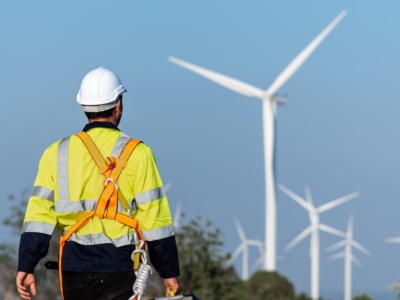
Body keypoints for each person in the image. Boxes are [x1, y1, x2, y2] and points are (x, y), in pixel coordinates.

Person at [16, 67, 182, 300]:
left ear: (84, 107)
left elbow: (38, 216)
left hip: (73, 269)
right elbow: (155, 219)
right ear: (118, 105)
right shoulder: (138, 153)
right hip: (119, 267)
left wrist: (26, 264)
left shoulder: (56, 153)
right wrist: (169, 272)